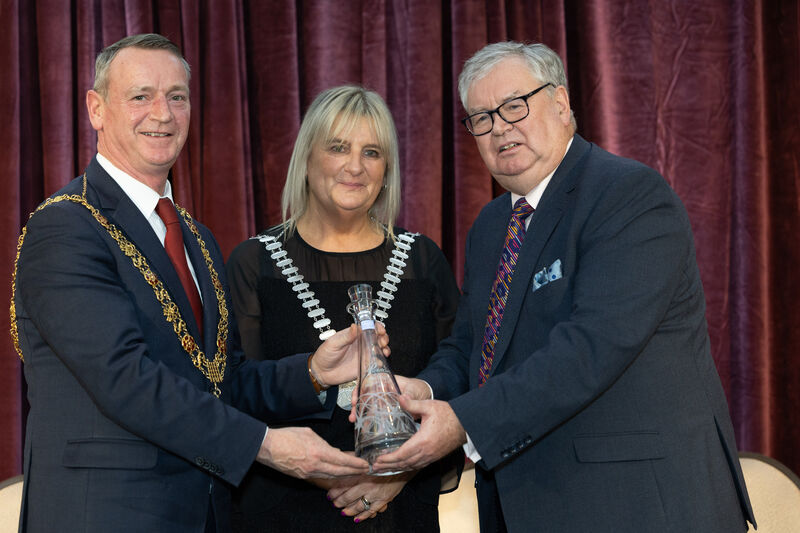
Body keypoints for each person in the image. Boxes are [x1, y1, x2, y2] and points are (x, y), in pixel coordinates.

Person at [369, 41, 757, 532]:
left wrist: (463, 422)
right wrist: (418, 391)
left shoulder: (628, 197)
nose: (500, 127)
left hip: (637, 505)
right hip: (525, 503)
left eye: (514, 105)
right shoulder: (491, 226)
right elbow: (474, 347)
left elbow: (588, 350)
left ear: (561, 103)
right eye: (481, 118)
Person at [10, 34, 386, 533]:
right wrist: (267, 446)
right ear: (96, 109)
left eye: (177, 96)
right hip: (101, 515)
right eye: (140, 96)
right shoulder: (64, 227)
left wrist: (315, 372)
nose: (162, 113)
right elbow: (126, 379)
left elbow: (219, 381)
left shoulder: (197, 239)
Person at [225, 85, 461, 532]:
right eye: (338, 147)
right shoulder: (252, 263)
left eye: (371, 152)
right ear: (307, 158)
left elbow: (461, 375)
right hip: (279, 512)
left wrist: (399, 472)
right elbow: (234, 393)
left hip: (401, 510)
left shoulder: (422, 260)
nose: (355, 166)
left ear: (387, 168)